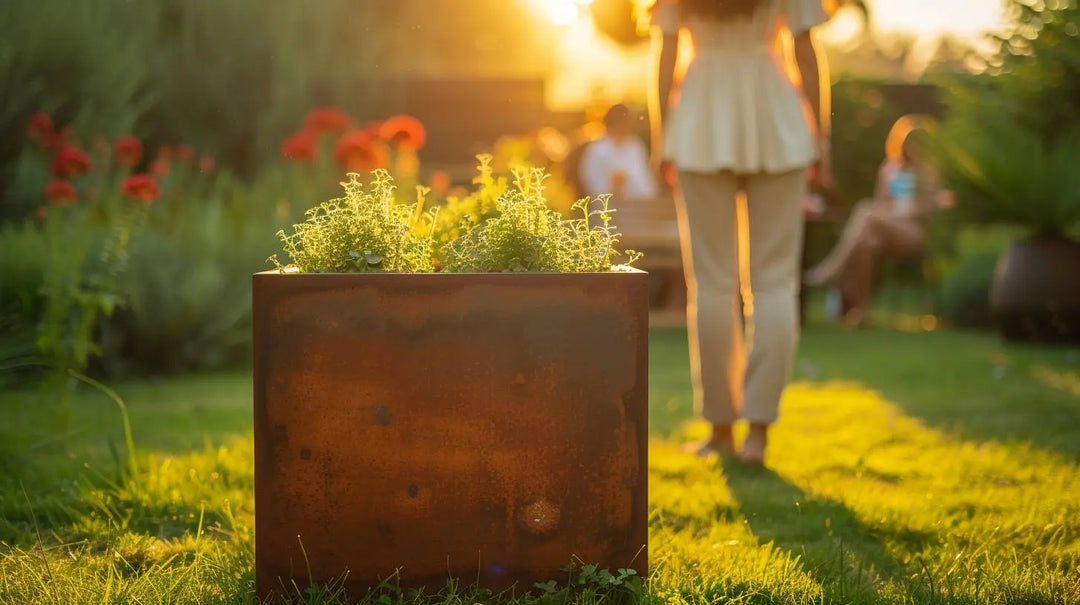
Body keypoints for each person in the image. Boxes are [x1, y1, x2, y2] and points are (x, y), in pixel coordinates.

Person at [650, 0, 831, 464]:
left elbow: (665, 57)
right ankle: (758, 436)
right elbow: (806, 51)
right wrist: (822, 140)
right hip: (779, 118)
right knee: (775, 282)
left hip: (698, 120)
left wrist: (660, 141)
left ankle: (720, 431)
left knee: (711, 283)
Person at [803, 118, 951, 326]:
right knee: (866, 243)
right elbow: (881, 203)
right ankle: (862, 311)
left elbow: (932, 206)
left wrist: (913, 208)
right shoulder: (889, 170)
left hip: (913, 231)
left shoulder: (928, 172)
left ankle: (830, 270)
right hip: (886, 227)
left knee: (865, 211)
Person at [578, 103, 660, 201]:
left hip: (635, 203)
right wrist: (610, 186)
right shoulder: (597, 149)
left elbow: (644, 180)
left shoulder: (635, 146)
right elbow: (588, 179)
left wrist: (628, 183)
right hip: (603, 205)